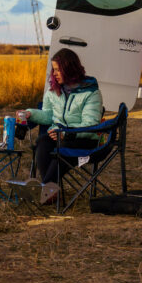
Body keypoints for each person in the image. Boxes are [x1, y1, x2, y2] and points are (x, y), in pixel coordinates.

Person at [25, 49, 104, 198]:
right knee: (42, 141)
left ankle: (46, 190)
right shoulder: (54, 91)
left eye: (57, 70)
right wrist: (31, 113)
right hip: (60, 137)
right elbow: (49, 116)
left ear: (69, 69)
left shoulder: (91, 92)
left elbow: (91, 124)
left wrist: (66, 133)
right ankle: (50, 191)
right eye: (53, 69)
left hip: (84, 140)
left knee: (64, 148)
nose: (54, 74)